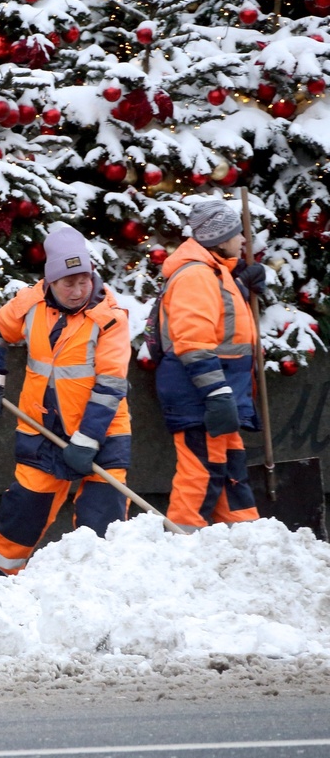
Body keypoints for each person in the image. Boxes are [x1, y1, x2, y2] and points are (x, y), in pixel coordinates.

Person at [0, 225, 132, 577]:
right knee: (21, 518)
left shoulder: (109, 319)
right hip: (41, 431)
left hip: (103, 436)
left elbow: (111, 385)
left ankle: (99, 595)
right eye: (67, 283)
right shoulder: (29, 304)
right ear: (50, 282)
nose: (77, 291)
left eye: (83, 281)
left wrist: (88, 440)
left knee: (101, 529)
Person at [156, 197, 263, 531]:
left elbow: (220, 320)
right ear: (220, 238)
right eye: (237, 233)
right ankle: (182, 545)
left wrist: (243, 283)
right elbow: (193, 341)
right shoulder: (197, 276)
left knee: (230, 467)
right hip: (203, 394)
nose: (245, 240)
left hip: (218, 392)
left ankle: (246, 538)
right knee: (202, 470)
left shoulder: (213, 273)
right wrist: (217, 393)